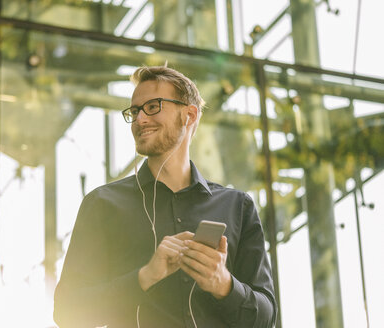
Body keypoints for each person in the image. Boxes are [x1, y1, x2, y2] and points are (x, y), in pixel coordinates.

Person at [54, 65, 277, 327]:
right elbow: (67, 312)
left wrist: (223, 284)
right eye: (135, 111)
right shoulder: (102, 204)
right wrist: (145, 276)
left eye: (152, 107)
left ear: (189, 115)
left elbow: (266, 317)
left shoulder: (238, 206)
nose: (140, 120)